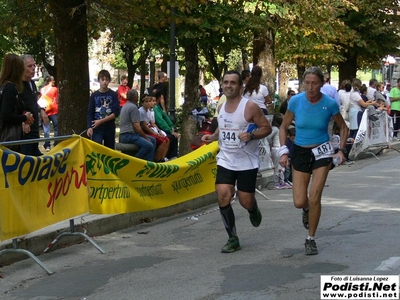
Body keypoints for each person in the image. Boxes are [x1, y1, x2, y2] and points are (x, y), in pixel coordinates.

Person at [278, 66, 348, 255]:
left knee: (315, 196)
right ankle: (307, 209)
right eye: (307, 83)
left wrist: (341, 150)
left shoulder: (329, 104)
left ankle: (311, 239)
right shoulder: (296, 101)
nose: (310, 87)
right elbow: (283, 127)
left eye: (314, 83)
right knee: (300, 201)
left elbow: (343, 127)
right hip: (300, 151)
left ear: (322, 84)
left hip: (322, 152)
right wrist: (284, 151)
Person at [201, 70, 272, 253]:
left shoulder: (249, 107)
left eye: (233, 83)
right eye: (226, 82)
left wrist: (251, 135)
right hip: (226, 158)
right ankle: (232, 238)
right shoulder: (220, 106)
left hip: (246, 160)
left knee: (245, 200)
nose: (228, 86)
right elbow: (223, 129)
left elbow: (266, 128)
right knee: (223, 193)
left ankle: (252, 208)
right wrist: (213, 137)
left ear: (240, 87)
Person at [0, 54, 34, 152]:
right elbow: (6, 114)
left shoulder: (3, 86)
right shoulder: (10, 88)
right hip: (9, 140)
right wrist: (25, 118)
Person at [87, 69, 120, 149]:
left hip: (109, 126)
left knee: (109, 149)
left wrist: (101, 121)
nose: (104, 82)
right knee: (96, 147)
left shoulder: (113, 94)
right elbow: (90, 112)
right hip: (97, 127)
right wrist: (89, 127)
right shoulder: (94, 95)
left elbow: (116, 112)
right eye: (103, 79)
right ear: (99, 80)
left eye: (107, 80)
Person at [119, 90, 156, 161]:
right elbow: (137, 127)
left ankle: (149, 162)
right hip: (129, 135)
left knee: (153, 140)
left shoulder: (126, 105)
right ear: (135, 97)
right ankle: (134, 161)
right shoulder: (133, 107)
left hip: (124, 135)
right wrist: (145, 137)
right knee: (149, 145)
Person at [20, 54, 43, 156]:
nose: (33, 68)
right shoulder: (17, 86)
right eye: (29, 66)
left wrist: (41, 110)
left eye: (33, 65)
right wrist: (22, 121)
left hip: (35, 131)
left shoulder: (32, 84)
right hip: (25, 133)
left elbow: (33, 103)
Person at [138, 95, 169, 162]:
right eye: (146, 102)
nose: (148, 103)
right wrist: (155, 133)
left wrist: (159, 131)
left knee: (167, 140)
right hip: (145, 131)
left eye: (149, 101)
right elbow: (144, 126)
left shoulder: (149, 111)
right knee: (162, 140)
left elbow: (152, 123)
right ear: (142, 103)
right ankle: (156, 160)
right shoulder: (141, 111)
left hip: (151, 128)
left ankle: (162, 158)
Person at [153, 92, 179, 159]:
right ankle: (163, 158)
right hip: (156, 129)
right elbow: (160, 121)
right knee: (167, 138)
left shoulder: (158, 107)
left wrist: (171, 126)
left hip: (158, 129)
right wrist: (170, 131)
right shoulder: (155, 108)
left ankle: (171, 156)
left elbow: (165, 117)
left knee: (172, 137)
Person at [266, 113, 289, 189]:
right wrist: (271, 143)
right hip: (276, 148)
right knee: (277, 167)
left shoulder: (279, 129)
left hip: (279, 148)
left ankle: (281, 181)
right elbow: (268, 137)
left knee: (281, 167)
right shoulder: (275, 129)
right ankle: (276, 182)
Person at [39, 75, 58, 151]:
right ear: (50, 81)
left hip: (45, 111)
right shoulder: (55, 89)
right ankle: (56, 144)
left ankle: (47, 145)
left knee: (46, 129)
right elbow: (56, 99)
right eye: (53, 80)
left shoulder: (42, 90)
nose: (54, 82)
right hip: (54, 110)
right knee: (56, 128)